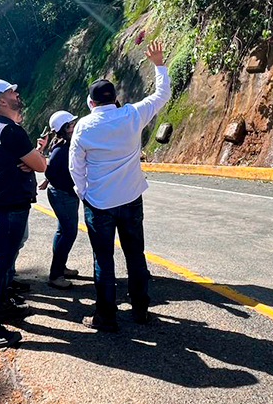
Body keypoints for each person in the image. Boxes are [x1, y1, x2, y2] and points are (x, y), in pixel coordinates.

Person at [69, 41, 170, 331]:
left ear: (90, 103)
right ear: (115, 98)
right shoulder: (132, 115)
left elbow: (75, 168)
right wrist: (159, 64)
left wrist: (83, 193)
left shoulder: (84, 128)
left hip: (99, 204)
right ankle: (140, 309)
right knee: (135, 255)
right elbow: (161, 94)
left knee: (104, 260)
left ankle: (106, 317)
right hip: (131, 199)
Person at [0, 79, 47, 348]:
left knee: (1, 265)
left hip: (1, 204)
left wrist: (24, 162)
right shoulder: (12, 131)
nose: (16, 93)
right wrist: (35, 159)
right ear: (0, 101)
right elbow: (40, 165)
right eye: (10, 91)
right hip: (9, 207)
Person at [40, 110, 82, 289]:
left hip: (64, 194)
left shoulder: (64, 144)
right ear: (64, 128)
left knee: (62, 232)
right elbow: (49, 170)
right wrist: (50, 180)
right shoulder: (61, 148)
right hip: (63, 195)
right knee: (69, 233)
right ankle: (55, 275)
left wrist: (48, 181)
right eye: (71, 125)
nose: (74, 127)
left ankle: (60, 267)